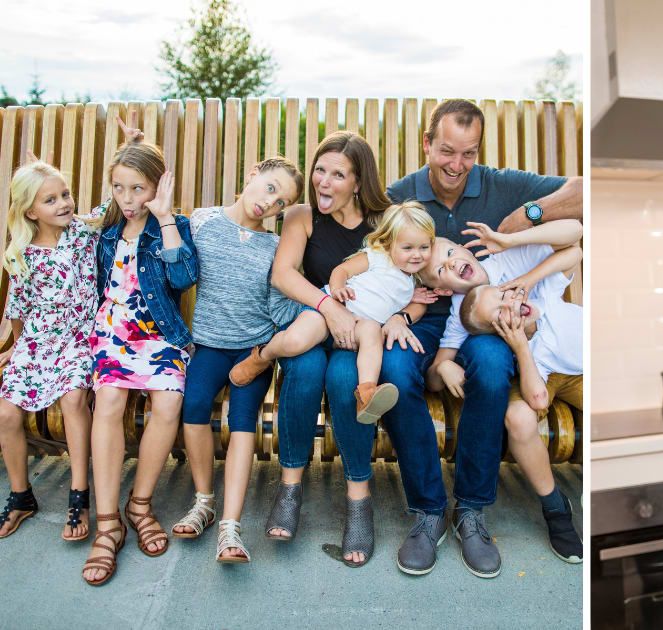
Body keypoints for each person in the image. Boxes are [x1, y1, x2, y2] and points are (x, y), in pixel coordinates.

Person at [383, 98, 582, 578]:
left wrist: (521, 220)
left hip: (485, 319)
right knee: (392, 369)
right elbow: (371, 260)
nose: (457, 165)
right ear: (427, 143)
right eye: (447, 151)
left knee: (492, 363)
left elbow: (582, 194)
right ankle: (428, 510)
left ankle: (471, 509)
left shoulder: (501, 185)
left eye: (468, 154)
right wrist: (392, 320)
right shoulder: (398, 196)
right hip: (419, 316)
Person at [265, 131, 431, 568]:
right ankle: (290, 486)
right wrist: (327, 306)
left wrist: (401, 316)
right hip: (316, 320)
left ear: (358, 182)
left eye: (338, 175)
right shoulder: (301, 216)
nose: (324, 181)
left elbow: (416, 276)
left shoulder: (385, 223)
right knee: (302, 371)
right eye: (320, 169)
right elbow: (283, 275)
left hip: (361, 335)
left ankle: (359, 498)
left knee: (344, 380)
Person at [168, 156, 303, 564]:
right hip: (209, 345)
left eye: (283, 203)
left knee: (242, 419)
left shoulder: (274, 247)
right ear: (252, 175)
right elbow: (175, 263)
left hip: (252, 350)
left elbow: (279, 305)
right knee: (193, 406)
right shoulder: (203, 221)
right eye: (270, 188)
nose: (271, 203)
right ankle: (204, 502)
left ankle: (231, 526)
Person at [83, 122, 199, 585]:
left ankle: (140, 504)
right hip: (113, 333)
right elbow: (68, 220)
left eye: (138, 189)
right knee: (109, 401)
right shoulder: (107, 224)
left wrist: (166, 216)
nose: (128, 198)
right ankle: (108, 523)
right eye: (119, 188)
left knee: (168, 400)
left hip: (159, 335)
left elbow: (184, 277)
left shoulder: (173, 225)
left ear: (157, 188)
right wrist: (133, 146)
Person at [231, 201, 435, 426]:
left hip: (358, 325)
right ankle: (263, 356)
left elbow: (415, 307)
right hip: (329, 312)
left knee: (372, 332)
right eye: (408, 248)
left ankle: (366, 393)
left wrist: (412, 305)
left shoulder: (412, 283)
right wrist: (337, 288)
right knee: (295, 341)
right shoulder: (378, 257)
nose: (416, 255)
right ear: (389, 243)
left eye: (424, 248)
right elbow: (342, 270)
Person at [0, 158, 99, 543]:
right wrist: (17, 349)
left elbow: (113, 202)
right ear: (30, 210)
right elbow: (20, 310)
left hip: (79, 339)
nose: (63, 203)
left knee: (74, 398)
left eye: (65, 194)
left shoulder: (82, 233)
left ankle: (79, 495)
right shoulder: (20, 253)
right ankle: (22, 496)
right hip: (38, 343)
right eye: (50, 200)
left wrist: (132, 145)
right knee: (6, 412)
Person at [458, 271, 583, 563]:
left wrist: (525, 282)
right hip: (547, 375)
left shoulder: (544, 295)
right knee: (519, 417)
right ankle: (555, 507)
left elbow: (573, 250)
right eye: (500, 314)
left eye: (503, 296)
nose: (510, 306)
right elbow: (538, 397)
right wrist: (521, 347)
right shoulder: (532, 352)